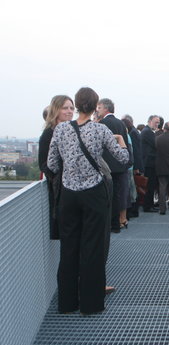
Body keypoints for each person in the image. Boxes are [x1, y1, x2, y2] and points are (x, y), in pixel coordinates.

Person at [47, 87, 129, 314]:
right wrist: (121, 140)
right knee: (92, 248)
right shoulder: (100, 130)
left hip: (68, 194)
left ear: (76, 105)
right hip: (94, 194)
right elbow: (123, 159)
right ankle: (91, 304)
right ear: (95, 107)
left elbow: (52, 164)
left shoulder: (61, 129)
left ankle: (67, 303)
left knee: (69, 248)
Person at [38, 95, 74, 239]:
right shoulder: (49, 134)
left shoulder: (72, 131)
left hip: (73, 190)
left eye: (72, 108)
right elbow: (44, 164)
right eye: (65, 108)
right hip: (61, 191)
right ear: (56, 110)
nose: (69, 111)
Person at [96, 98, 131, 233]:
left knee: (108, 196)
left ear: (105, 109)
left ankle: (111, 223)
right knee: (119, 194)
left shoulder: (102, 124)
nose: (97, 111)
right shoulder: (121, 124)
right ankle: (118, 222)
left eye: (99, 108)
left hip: (107, 166)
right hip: (120, 163)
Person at [140, 115, 160, 212]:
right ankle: (148, 206)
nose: (157, 124)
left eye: (158, 122)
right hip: (149, 163)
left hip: (150, 163)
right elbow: (156, 145)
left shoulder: (148, 131)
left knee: (151, 185)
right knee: (149, 185)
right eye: (156, 122)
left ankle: (150, 204)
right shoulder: (147, 132)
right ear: (149, 121)